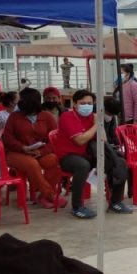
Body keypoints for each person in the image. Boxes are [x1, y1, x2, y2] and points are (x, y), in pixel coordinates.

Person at [56, 89, 132, 218]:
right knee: (82, 165)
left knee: (120, 162)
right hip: (68, 157)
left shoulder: (93, 117)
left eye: (89, 103)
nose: (86, 106)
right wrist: (96, 125)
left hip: (89, 154)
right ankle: (77, 207)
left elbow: (103, 140)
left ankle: (115, 202)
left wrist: (99, 124)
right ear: (75, 104)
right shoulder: (67, 117)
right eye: (82, 103)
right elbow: (80, 140)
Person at [3, 88, 65, 210]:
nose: (19, 102)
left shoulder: (46, 116)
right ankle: (50, 195)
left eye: (21, 99)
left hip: (39, 152)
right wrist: (22, 148)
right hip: (15, 153)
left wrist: (41, 151)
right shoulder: (14, 117)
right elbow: (7, 138)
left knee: (56, 161)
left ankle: (43, 196)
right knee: (32, 164)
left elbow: (55, 138)